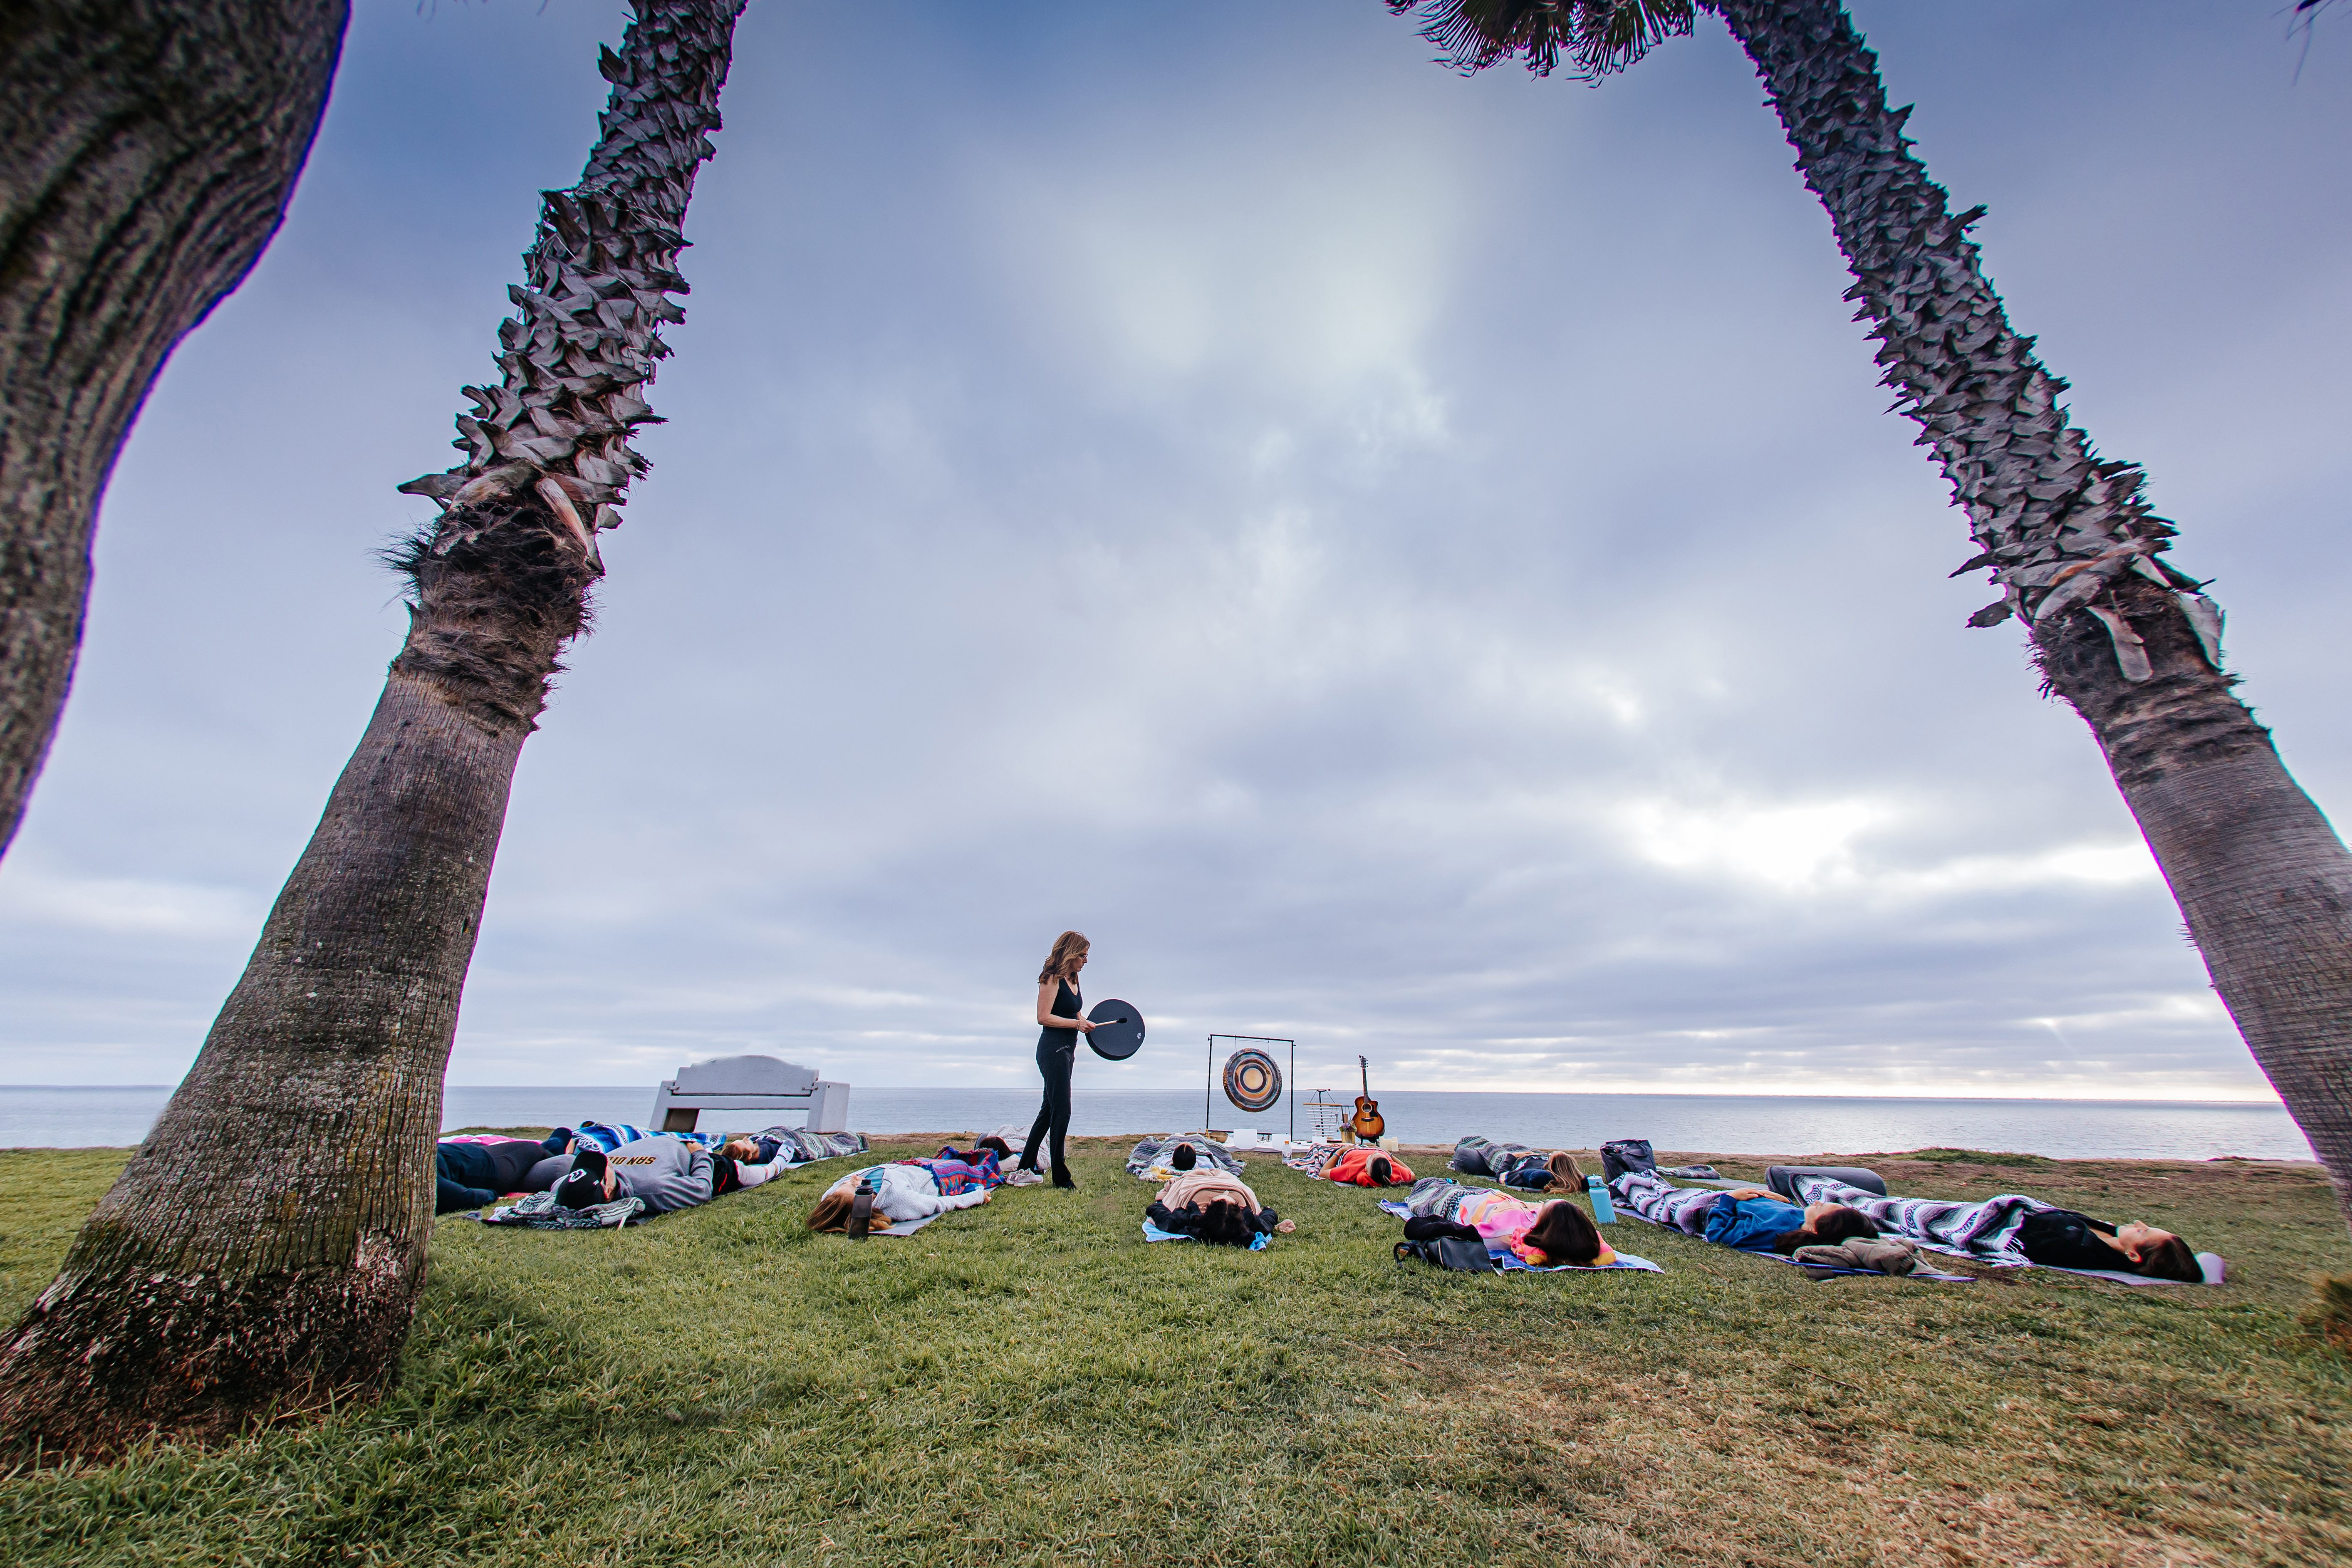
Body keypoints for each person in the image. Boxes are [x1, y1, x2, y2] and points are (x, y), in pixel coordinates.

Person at [1782, 1172, 2203, 1281]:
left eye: (2145, 1234)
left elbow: (2015, 1233)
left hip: (1973, 1223)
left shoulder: (2077, 1246)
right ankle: (1830, 1192)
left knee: (1891, 1210)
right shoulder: (2102, 1234)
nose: (2141, 1224)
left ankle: (1820, 1190)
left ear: (2133, 1255)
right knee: (1900, 1206)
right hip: (1977, 1211)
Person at [1608, 1169, 1880, 1253]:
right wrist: (1776, 1197)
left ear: (1815, 1229)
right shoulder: (1797, 1215)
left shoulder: (1775, 1234)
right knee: (1647, 1179)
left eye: (1822, 1209)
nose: (1817, 1203)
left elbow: (1718, 1233)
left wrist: (1729, 1198)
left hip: (1703, 1209)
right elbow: (1769, 1208)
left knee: (1642, 1188)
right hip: (1723, 1198)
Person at [1016, 929, 1097, 1189]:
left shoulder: (1074, 979)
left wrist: (1084, 1021)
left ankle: (1025, 1168)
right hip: (1052, 1050)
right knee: (1062, 1112)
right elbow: (1044, 1017)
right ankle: (1061, 1179)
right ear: (1071, 954)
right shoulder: (1051, 978)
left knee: (1049, 1110)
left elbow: (1076, 1011)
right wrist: (1076, 1024)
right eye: (1082, 956)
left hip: (1068, 1051)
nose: (1086, 961)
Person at [1398, 1179, 1612, 1266]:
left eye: (1544, 1205)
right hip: (1491, 1195)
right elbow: (1594, 1241)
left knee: (1424, 1184)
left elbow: (1455, 1231)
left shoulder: (1503, 1234)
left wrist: (1420, 1226)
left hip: (1455, 1204)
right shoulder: (1564, 1224)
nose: (1540, 1205)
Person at [1148, 1166, 1296, 1246]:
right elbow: (1268, 1216)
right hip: (1230, 1181)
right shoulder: (1252, 1220)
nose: (1225, 1193)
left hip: (1194, 1182)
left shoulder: (1187, 1218)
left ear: (1208, 1206)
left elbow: (1158, 1211)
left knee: (1185, 1177)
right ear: (1241, 1211)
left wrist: (1161, 1202)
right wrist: (1270, 1218)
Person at [435, 1131, 569, 1214]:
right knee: (536, 1148)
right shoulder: (432, 1182)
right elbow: (467, 1197)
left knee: (557, 1138)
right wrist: (494, 1195)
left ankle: (555, 1145)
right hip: (493, 1167)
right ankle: (556, 1149)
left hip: (472, 1154)